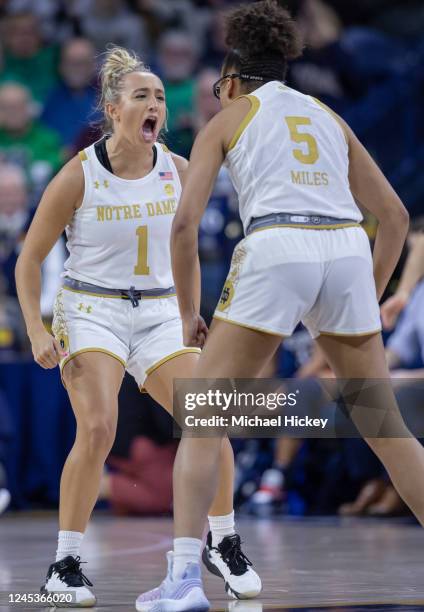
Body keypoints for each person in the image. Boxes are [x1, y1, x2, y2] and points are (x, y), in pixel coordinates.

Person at [137, 2, 424, 610]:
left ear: (233, 79)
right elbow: (395, 217)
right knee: (385, 427)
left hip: (277, 242)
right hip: (348, 247)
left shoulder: (230, 115)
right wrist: (365, 303)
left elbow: (185, 225)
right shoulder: (327, 114)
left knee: (206, 414)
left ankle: (184, 580)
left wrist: (189, 312)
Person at [15, 46, 261, 607]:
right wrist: (35, 327)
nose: (155, 105)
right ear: (112, 106)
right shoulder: (79, 174)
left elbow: (189, 247)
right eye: (142, 96)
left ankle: (222, 542)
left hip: (158, 309)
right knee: (99, 426)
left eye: (160, 98)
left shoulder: (177, 170)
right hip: (90, 308)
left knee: (207, 415)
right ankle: (66, 563)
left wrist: (189, 312)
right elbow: (28, 260)